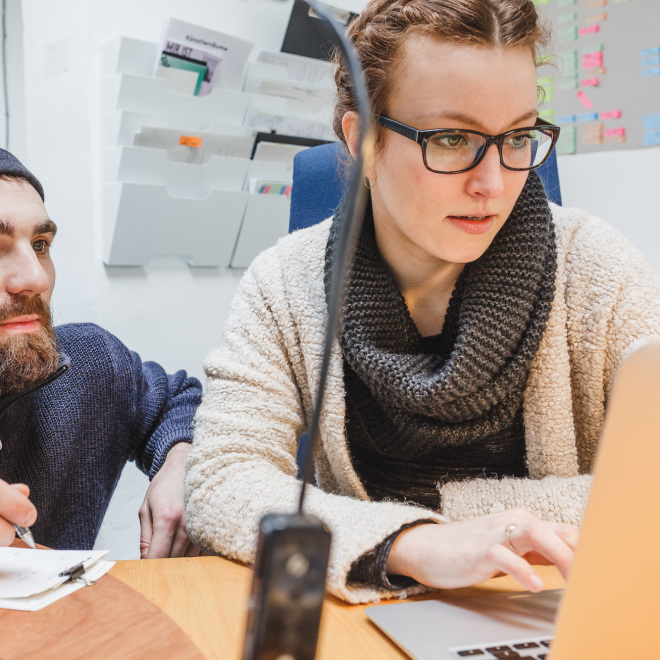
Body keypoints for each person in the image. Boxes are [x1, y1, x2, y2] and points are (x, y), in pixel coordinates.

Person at [184, 0, 660, 603]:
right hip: (375, 617)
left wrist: (467, 519)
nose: (493, 183)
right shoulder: (284, 283)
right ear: (364, 142)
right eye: (454, 138)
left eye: (516, 136)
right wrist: (411, 543)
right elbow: (222, 482)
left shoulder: (597, 270)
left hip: (549, 613)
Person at [0, 148, 203, 557]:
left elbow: (179, 402)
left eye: (40, 244)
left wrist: (182, 464)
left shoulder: (88, 361)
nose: (35, 278)